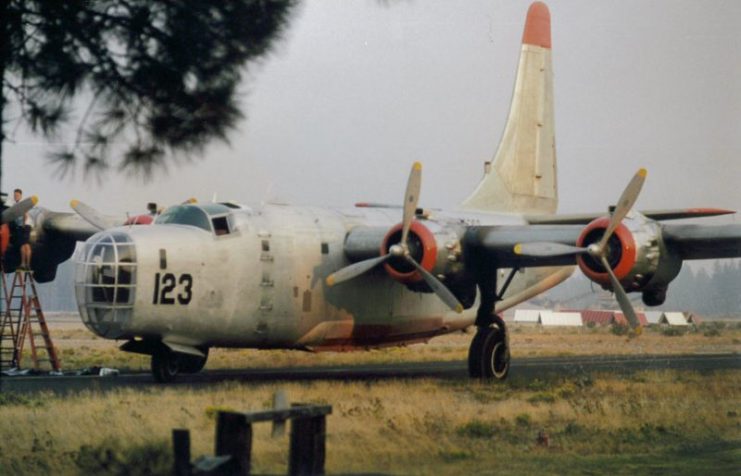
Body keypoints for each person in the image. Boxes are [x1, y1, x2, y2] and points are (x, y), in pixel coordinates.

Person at [12, 188, 32, 270]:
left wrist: (23, 225)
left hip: (23, 225)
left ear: (20, 195)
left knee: (22, 245)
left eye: (17, 195)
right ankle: (27, 264)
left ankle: (23, 263)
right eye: (14, 195)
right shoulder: (19, 204)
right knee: (26, 245)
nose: (15, 196)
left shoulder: (20, 204)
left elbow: (25, 215)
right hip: (27, 225)